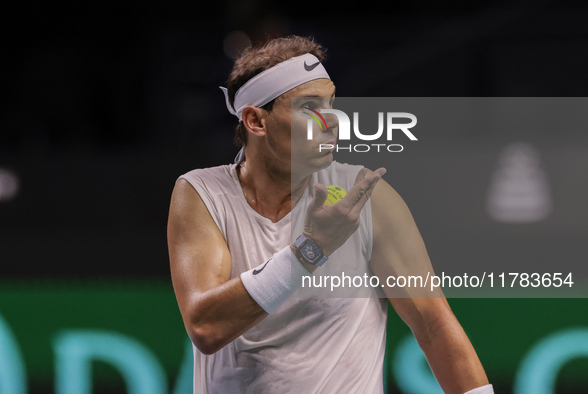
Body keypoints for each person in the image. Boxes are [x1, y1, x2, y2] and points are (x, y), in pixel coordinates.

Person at [167, 35, 493, 394]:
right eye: (309, 107)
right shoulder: (201, 193)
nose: (332, 122)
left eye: (331, 104)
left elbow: (434, 326)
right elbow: (206, 328)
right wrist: (312, 248)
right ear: (255, 120)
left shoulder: (366, 195)